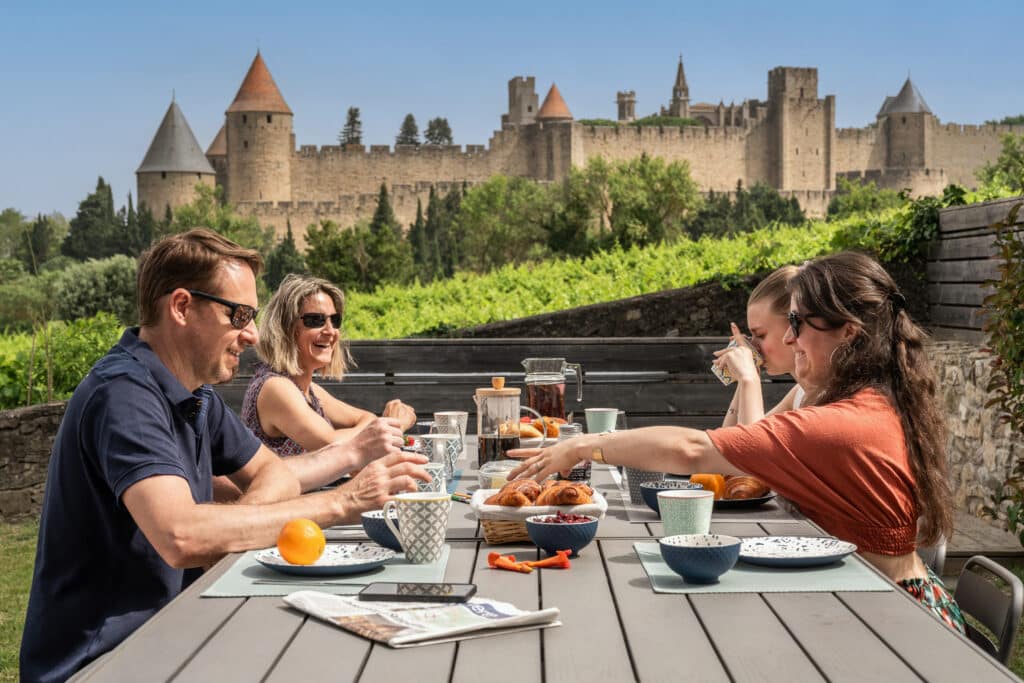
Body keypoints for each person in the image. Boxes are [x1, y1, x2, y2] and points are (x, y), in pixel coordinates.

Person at [20, 229, 429, 683]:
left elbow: (274, 473)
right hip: (100, 663)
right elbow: (180, 537)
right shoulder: (125, 395)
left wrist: (231, 530)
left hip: (170, 634)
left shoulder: (198, 397)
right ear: (181, 307)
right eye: (239, 315)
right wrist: (343, 502)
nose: (252, 335)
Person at [511, 251, 964, 634]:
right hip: (869, 603)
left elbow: (693, 449)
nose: (788, 338)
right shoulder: (864, 402)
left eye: (798, 324)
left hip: (904, 623)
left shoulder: (844, 423)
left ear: (848, 330)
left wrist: (582, 446)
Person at [241, 274, 416, 459]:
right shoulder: (275, 387)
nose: (330, 331)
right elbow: (331, 446)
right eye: (316, 320)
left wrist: (380, 425)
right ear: (286, 328)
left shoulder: (307, 389)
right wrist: (393, 424)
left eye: (335, 320)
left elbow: (367, 419)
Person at [713, 265, 803, 426]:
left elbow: (751, 447)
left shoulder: (822, 397)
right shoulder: (800, 393)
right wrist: (745, 378)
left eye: (760, 335)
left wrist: (749, 379)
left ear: (794, 327)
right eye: (751, 336)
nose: (753, 347)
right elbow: (728, 441)